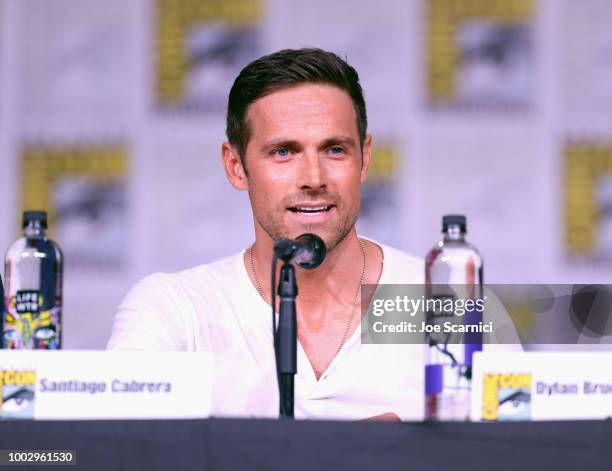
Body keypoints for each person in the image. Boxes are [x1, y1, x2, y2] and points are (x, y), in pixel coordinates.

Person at [107, 48, 425, 420]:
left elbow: (505, 447)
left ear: (365, 158)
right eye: (284, 152)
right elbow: (122, 450)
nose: (313, 178)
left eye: (335, 150)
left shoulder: (443, 300)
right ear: (236, 166)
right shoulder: (175, 309)